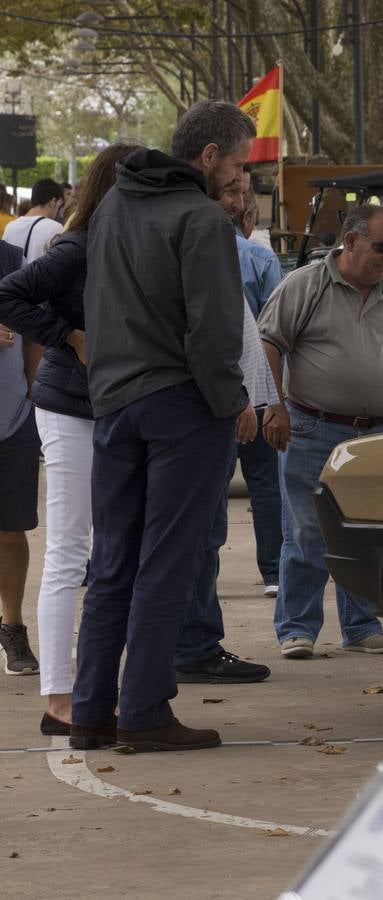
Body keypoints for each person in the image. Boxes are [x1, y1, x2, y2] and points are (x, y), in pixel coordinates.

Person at [71, 100, 254, 753]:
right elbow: (214, 331)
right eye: (236, 163)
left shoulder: (115, 204)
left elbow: (98, 302)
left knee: (113, 562)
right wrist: (230, 401)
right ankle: (145, 711)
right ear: (208, 156)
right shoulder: (201, 218)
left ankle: (91, 712)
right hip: (181, 404)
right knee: (167, 561)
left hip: (115, 401)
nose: (239, 177)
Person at [0, 144, 140, 731]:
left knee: (110, 553)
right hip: (69, 406)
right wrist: (70, 337)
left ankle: (94, 690)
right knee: (68, 550)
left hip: (117, 405)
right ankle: (59, 698)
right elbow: (9, 295)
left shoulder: (130, 244)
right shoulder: (77, 246)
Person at [259, 204, 383, 659]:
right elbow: (268, 345)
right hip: (310, 427)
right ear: (351, 241)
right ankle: (296, 628)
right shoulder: (305, 286)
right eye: (381, 247)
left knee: (367, 531)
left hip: (374, 436)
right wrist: (273, 408)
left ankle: (360, 627)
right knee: (306, 532)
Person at [173, 173, 275, 686]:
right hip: (213, 412)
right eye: (231, 191)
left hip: (230, 407)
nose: (239, 204)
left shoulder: (217, 248)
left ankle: (191, 643)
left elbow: (246, 335)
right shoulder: (211, 247)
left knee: (206, 536)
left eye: (242, 195)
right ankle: (193, 647)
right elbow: (218, 341)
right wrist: (241, 401)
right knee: (203, 535)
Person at [234, 188, 284, 598]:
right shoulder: (262, 259)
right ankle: (273, 572)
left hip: (212, 390)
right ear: (248, 219)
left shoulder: (190, 254)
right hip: (259, 385)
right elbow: (277, 329)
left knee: (211, 487)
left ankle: (202, 572)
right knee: (265, 482)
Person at [0, 240, 39, 677]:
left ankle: (11, 626)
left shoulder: (11, 259)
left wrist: (32, 389)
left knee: (11, 531)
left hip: (11, 418)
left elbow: (33, 329)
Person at [2, 179, 64, 264]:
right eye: (59, 206)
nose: (58, 211)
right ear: (53, 202)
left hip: (11, 277)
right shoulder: (55, 228)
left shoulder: (10, 227)